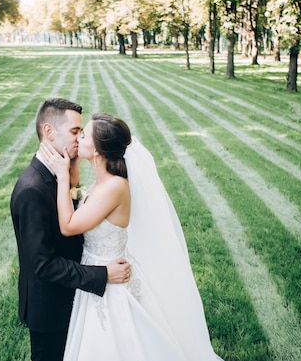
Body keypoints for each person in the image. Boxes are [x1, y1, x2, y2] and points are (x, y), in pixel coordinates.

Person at [40, 113, 223, 360]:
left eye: (83, 135)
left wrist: (62, 177)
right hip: (96, 273)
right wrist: (71, 173)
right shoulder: (101, 182)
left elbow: (69, 226)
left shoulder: (115, 186)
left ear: (96, 150)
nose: (78, 139)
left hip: (111, 280)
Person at [10, 99, 131, 361]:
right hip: (50, 309)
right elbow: (42, 265)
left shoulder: (57, 172)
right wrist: (102, 274)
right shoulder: (32, 189)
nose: (79, 139)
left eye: (81, 133)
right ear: (50, 132)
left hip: (73, 298)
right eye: (75, 132)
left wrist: (70, 177)